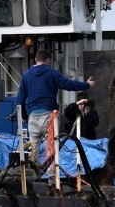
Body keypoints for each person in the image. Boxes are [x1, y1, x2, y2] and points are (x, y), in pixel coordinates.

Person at [16, 49, 95, 183]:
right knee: (51, 148)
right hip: (50, 116)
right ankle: (52, 180)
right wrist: (86, 85)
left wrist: (24, 116)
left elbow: (19, 100)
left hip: (33, 117)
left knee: (33, 148)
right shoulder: (52, 73)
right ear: (48, 61)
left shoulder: (26, 75)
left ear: (36, 60)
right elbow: (68, 84)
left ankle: (31, 178)